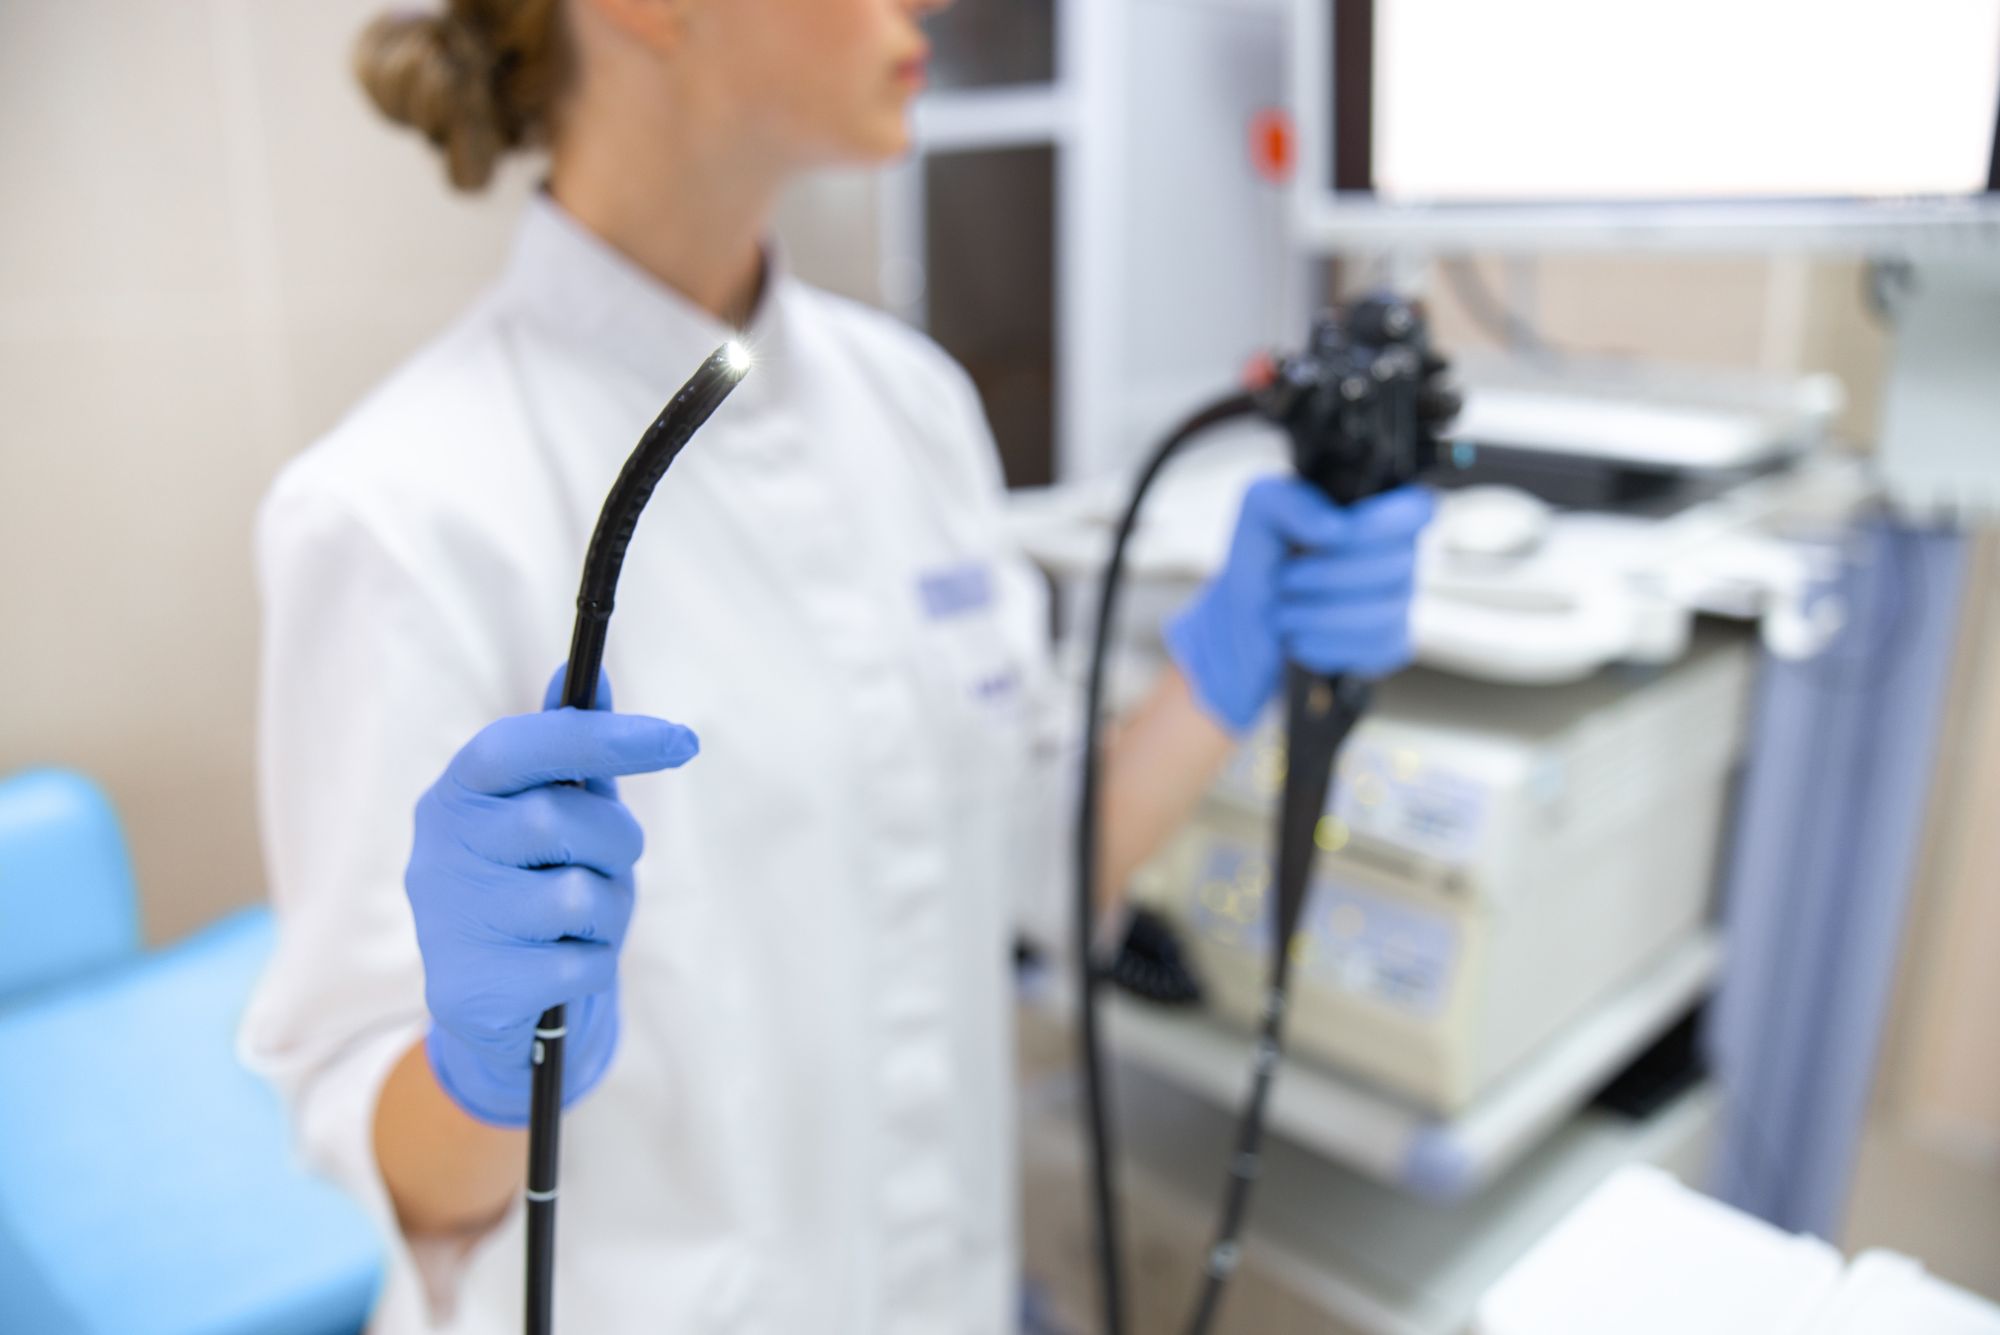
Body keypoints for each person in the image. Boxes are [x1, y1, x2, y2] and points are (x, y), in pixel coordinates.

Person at [238, 1, 1433, 1331]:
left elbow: (1033, 862)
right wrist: (484, 1068)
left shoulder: (912, 406)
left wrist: (1230, 657)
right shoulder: (397, 504)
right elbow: (394, 1178)